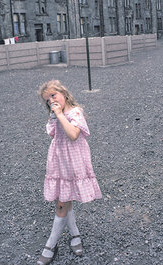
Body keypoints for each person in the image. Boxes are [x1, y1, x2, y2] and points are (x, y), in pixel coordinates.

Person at [36, 80, 102, 265]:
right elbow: (52, 133)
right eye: (47, 100)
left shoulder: (75, 112)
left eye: (53, 95)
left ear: (63, 93)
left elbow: (73, 135)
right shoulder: (56, 114)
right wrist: (54, 115)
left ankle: (50, 245)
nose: (51, 101)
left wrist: (59, 114)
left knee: (61, 203)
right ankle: (75, 235)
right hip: (59, 161)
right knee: (65, 198)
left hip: (74, 161)